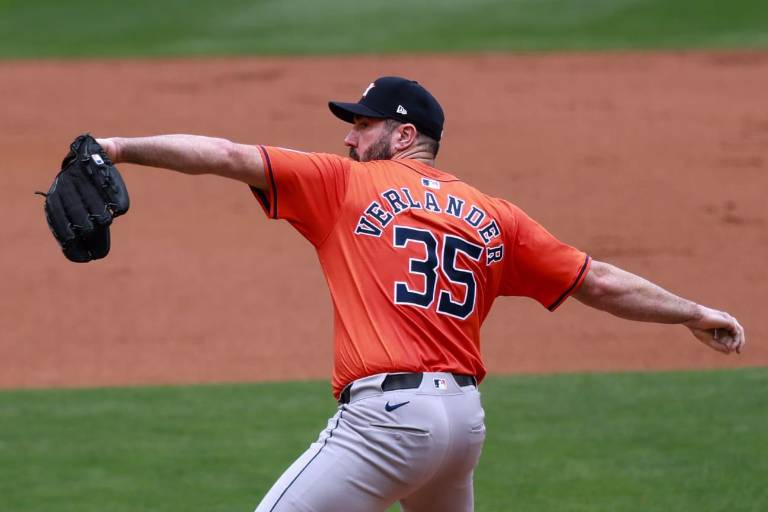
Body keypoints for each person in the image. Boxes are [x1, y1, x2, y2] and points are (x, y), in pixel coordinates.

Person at [95, 76, 745, 512]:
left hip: (389, 422)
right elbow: (597, 280)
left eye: (363, 125)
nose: (348, 138)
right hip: (463, 426)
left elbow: (224, 155)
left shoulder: (343, 185)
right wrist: (692, 311)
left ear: (404, 136)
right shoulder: (494, 214)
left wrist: (117, 147)